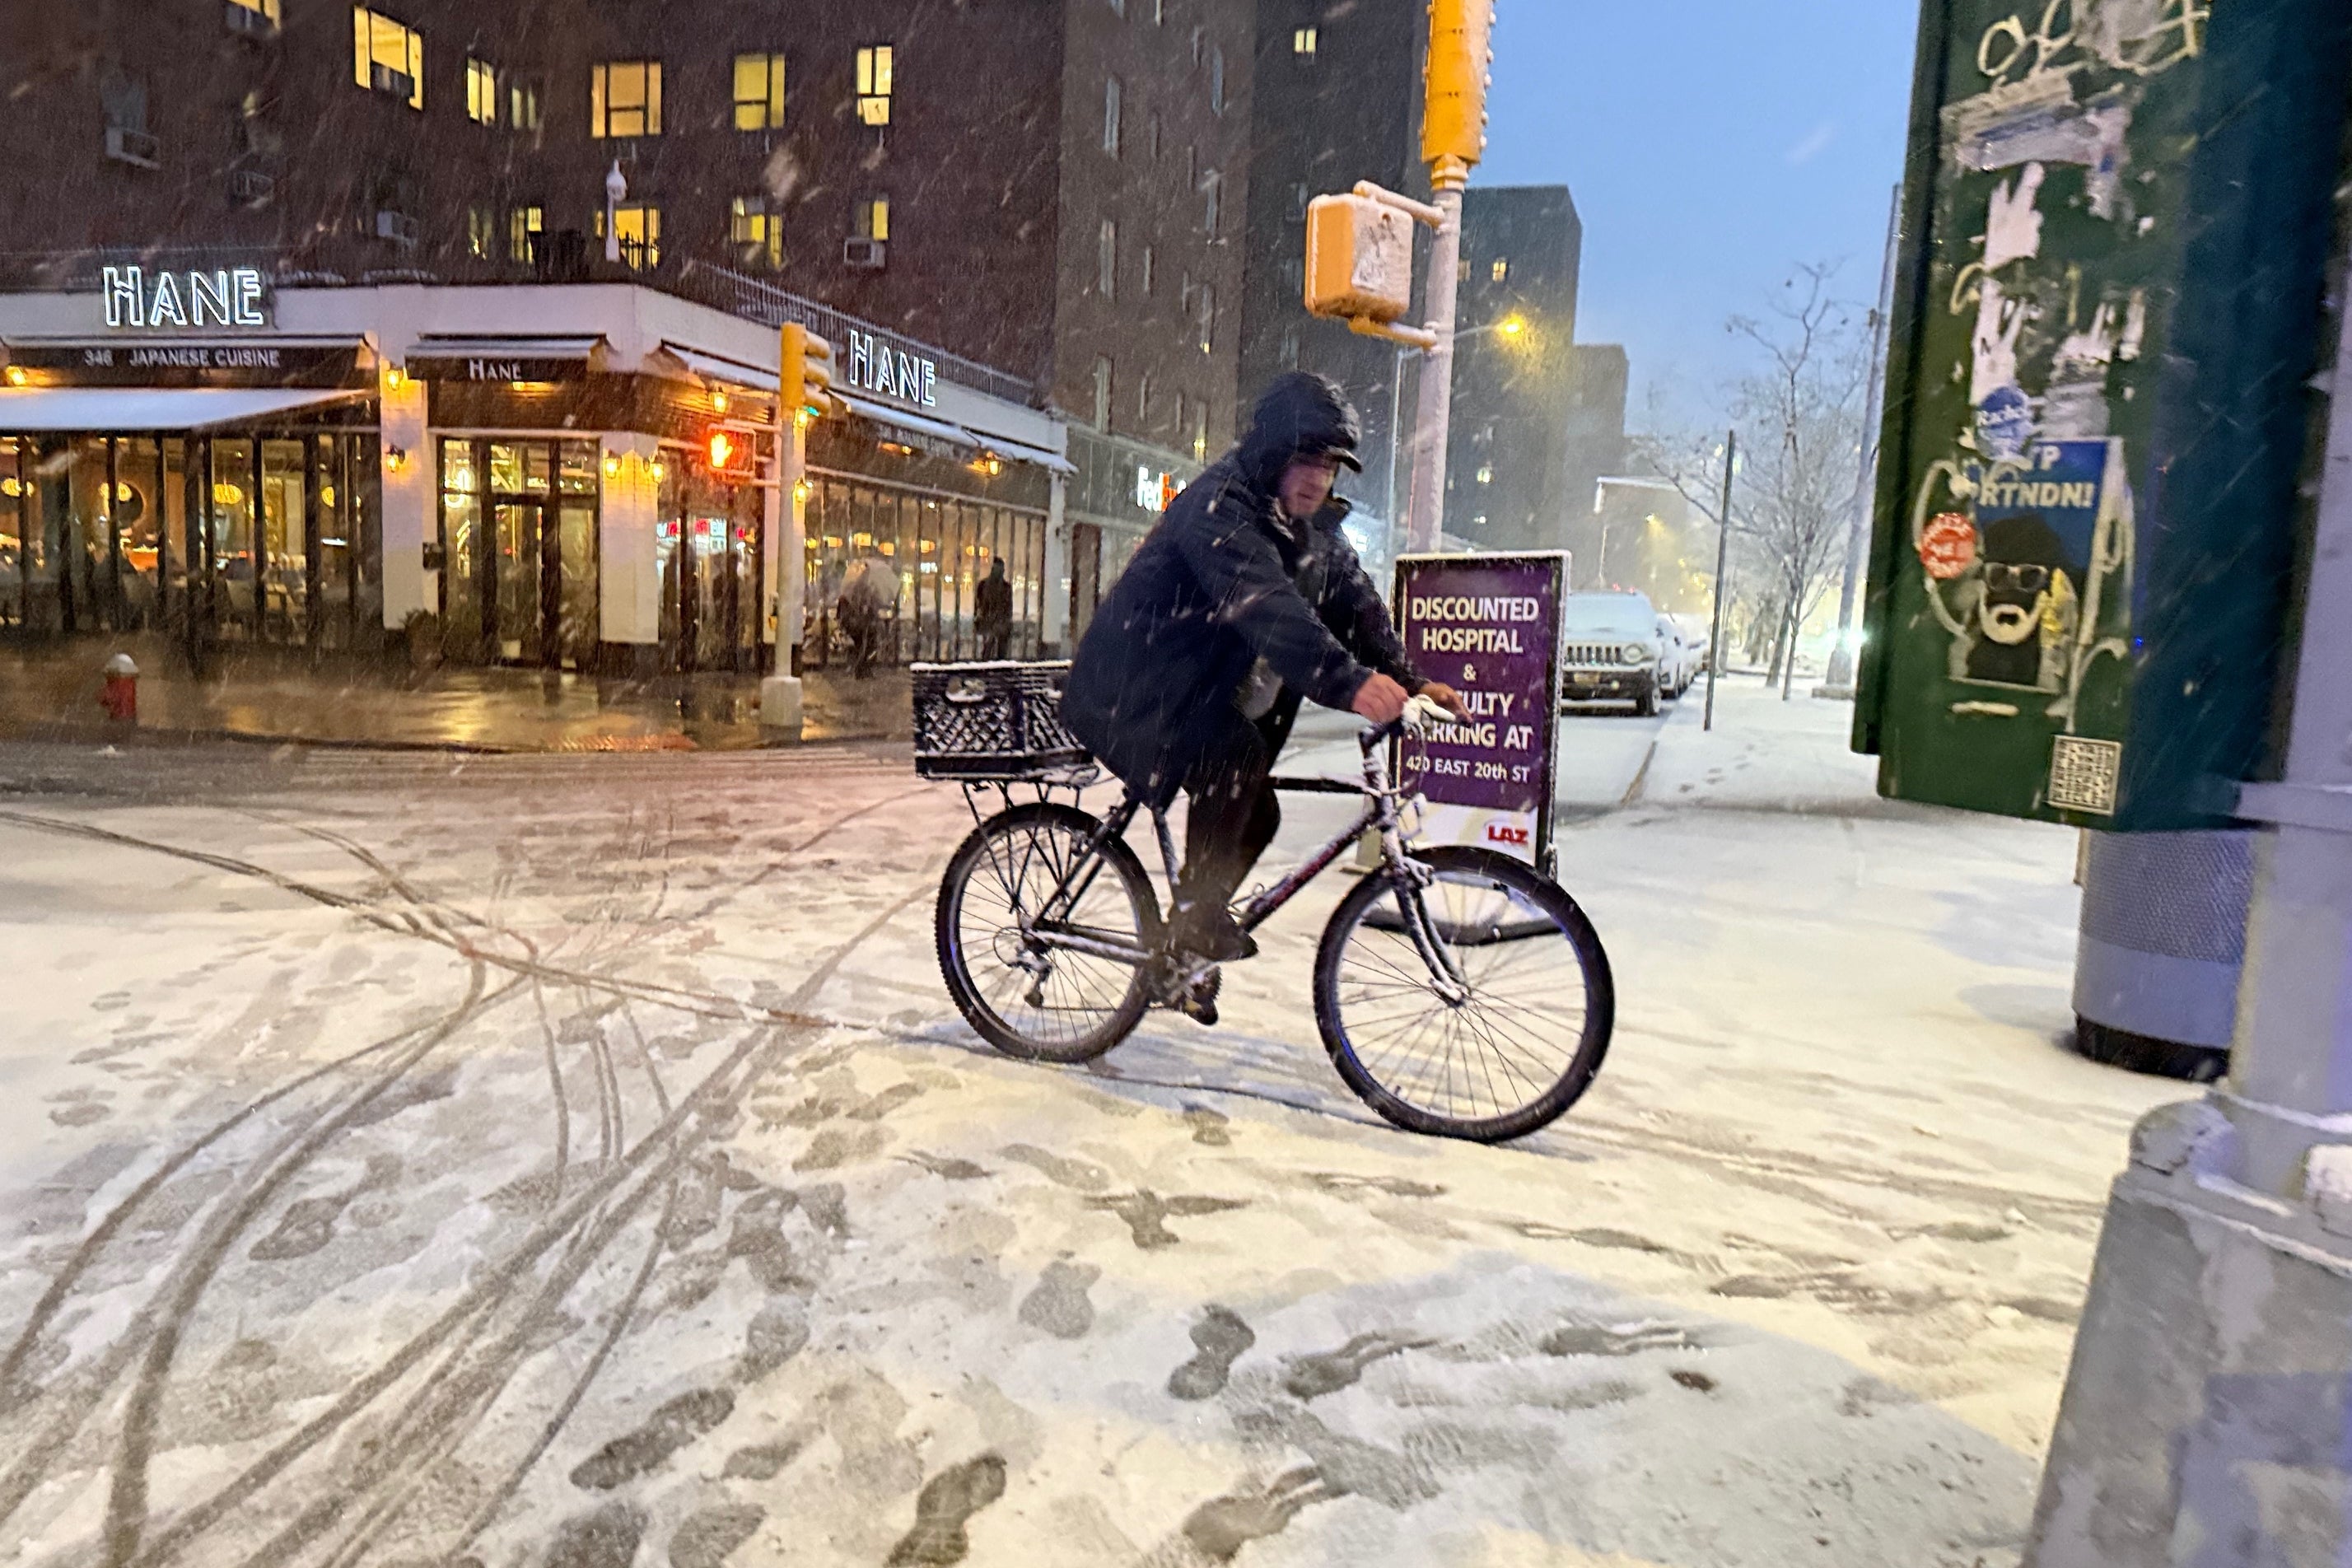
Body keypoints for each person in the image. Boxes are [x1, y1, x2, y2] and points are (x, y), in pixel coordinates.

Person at [1060, 372, 1466, 1011]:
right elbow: (1267, 608)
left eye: (1331, 465)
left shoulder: (1314, 529)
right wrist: (1350, 684)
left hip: (1195, 693)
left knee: (1260, 808)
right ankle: (1193, 920)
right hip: (1134, 687)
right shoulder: (1219, 507)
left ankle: (1181, 952)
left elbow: (1355, 606)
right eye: (1307, 459)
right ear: (1274, 453)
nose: (1318, 478)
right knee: (1235, 761)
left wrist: (1409, 678)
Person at [838, 547, 899, 679]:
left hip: (860, 623)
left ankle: (862, 669)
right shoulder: (863, 586)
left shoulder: (858, 585)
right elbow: (863, 607)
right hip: (862, 623)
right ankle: (861, 669)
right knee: (868, 645)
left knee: (867, 645)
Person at [973, 558, 1014, 660]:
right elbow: (979, 605)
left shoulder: (1004, 587)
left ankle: (990, 660)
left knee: (995, 640)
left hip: (995, 623)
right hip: (990, 623)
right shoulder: (1004, 587)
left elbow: (978, 605)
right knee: (993, 640)